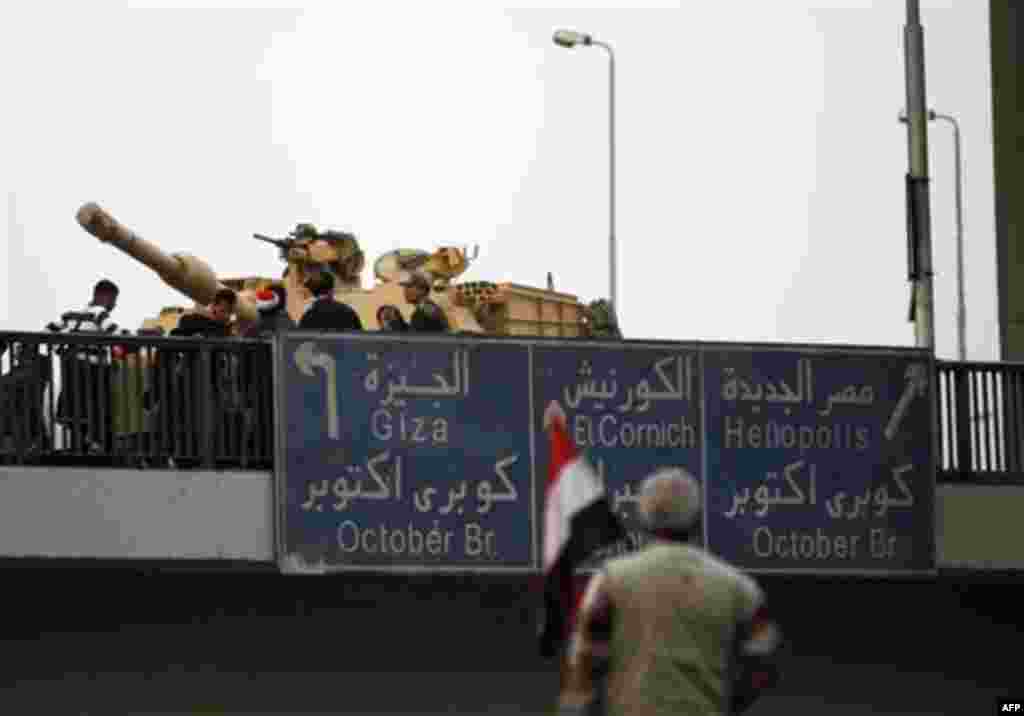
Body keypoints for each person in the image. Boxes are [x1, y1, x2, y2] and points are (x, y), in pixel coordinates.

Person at [558, 468, 782, 716]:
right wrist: (729, 707)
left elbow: (584, 664)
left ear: (643, 520)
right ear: (697, 519)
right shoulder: (737, 586)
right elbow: (763, 661)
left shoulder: (610, 580)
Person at [298, 269, 363, 332]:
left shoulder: (307, 317)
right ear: (332, 290)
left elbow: (301, 341)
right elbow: (361, 339)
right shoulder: (349, 312)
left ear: (310, 292)